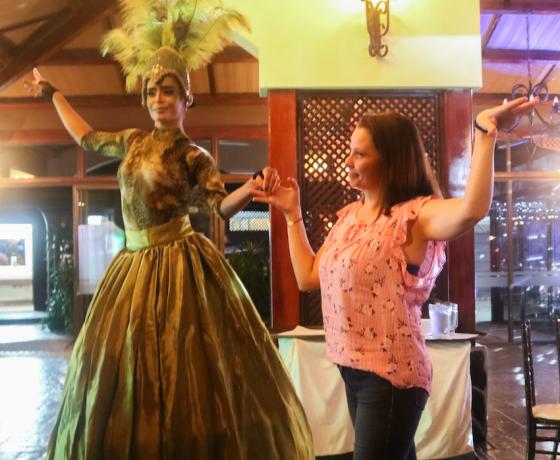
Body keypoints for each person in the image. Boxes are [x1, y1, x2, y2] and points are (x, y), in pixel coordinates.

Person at [24, 5, 314, 459]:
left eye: (169, 91)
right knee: (122, 365)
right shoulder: (132, 141)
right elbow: (85, 137)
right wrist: (52, 94)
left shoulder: (195, 156)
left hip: (181, 264)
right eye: (152, 91)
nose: (159, 99)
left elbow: (219, 207)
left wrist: (249, 188)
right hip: (130, 268)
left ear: (186, 98)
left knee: (186, 365)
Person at [254, 97, 538, 460]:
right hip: (351, 369)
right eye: (350, 152)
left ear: (390, 160)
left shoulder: (414, 217)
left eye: (359, 154)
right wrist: (292, 215)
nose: (347, 162)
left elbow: (471, 210)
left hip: (390, 377)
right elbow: (308, 277)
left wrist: (484, 133)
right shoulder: (349, 218)